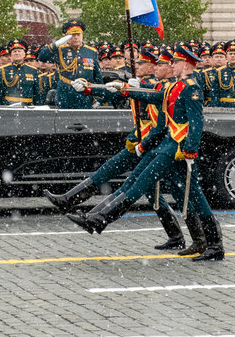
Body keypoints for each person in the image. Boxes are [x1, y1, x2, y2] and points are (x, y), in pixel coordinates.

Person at [66, 44, 224, 262]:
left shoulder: (191, 88)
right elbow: (151, 97)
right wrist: (122, 90)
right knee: (194, 195)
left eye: (175, 62)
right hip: (168, 146)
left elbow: (197, 122)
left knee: (141, 183)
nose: (172, 65)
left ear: (186, 65)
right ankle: (211, 244)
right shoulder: (173, 87)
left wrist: (190, 149)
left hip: (176, 148)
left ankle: (100, 220)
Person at [45, 47, 195, 252]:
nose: (137, 66)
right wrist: (90, 88)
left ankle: (88, 213)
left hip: (155, 144)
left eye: (142, 64)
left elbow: (154, 108)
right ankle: (176, 235)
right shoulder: (153, 85)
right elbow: (115, 90)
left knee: (160, 189)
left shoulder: (163, 87)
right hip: (144, 143)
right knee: (142, 187)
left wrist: (137, 88)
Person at [38, 20, 103, 109]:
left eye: (78, 34)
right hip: (65, 95)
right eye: (72, 35)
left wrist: (99, 99)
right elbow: (42, 57)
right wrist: (55, 44)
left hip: (85, 96)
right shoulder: (60, 50)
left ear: (82, 35)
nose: (76, 37)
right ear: (67, 37)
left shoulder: (91, 52)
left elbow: (97, 77)